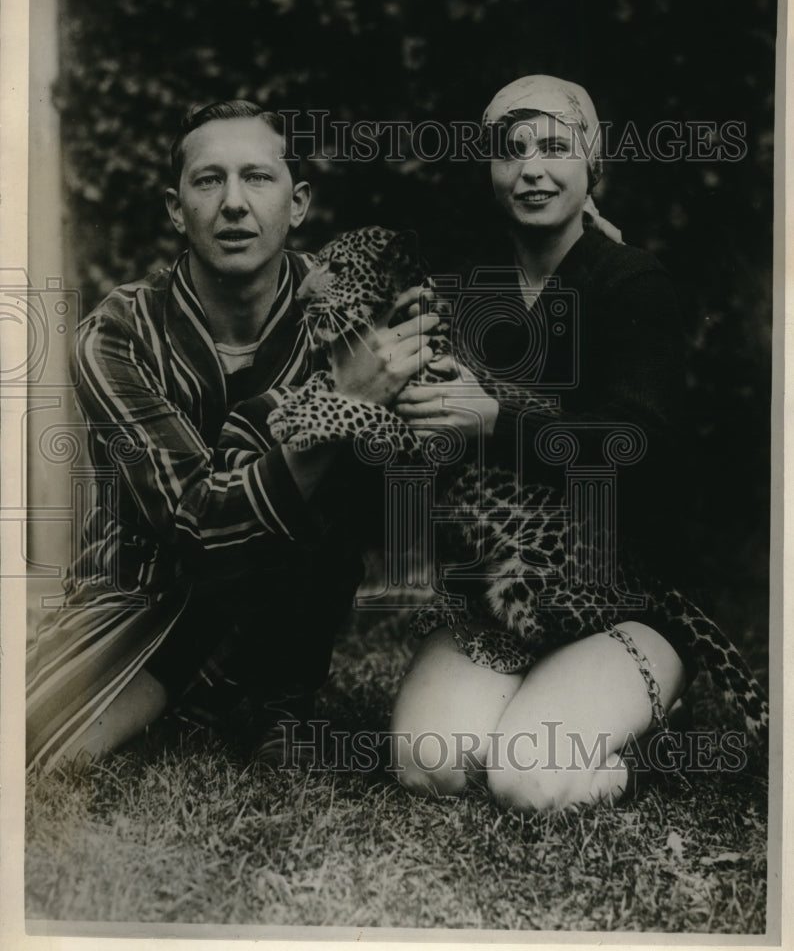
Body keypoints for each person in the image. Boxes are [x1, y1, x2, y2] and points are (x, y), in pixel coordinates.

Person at [26, 100, 438, 770]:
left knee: (359, 450)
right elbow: (194, 526)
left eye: (258, 178)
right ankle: (199, 685)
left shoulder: (349, 300)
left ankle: (280, 692)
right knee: (45, 747)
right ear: (174, 207)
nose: (235, 203)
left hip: (289, 588)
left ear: (298, 202)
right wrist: (339, 403)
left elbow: (444, 353)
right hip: (149, 592)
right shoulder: (117, 333)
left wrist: (582, 250)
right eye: (209, 180)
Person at [390, 75, 693, 811]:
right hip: (505, 603)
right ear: (491, 171)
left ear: (592, 164)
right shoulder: (463, 289)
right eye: (510, 150)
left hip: (625, 601)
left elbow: (636, 447)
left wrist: (492, 420)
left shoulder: (634, 283)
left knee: (528, 779)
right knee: (430, 766)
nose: (531, 168)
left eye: (555, 146)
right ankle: (541, 699)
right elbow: (428, 465)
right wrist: (396, 401)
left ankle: (634, 732)